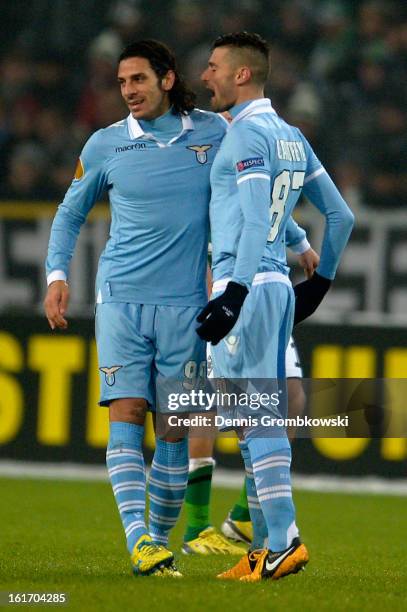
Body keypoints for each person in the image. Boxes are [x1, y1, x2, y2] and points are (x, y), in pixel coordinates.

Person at [43, 39, 228, 578]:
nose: (128, 91)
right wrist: (57, 277)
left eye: (139, 80)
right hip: (120, 298)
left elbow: (253, 187)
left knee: (174, 429)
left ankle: (158, 540)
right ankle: (138, 540)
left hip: (188, 306)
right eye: (123, 83)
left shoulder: (213, 132)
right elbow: (68, 214)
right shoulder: (105, 144)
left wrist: (295, 238)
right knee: (126, 413)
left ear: (167, 79)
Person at [198, 32, 354, 582]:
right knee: (247, 418)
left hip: (248, 285)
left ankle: (283, 542)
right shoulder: (289, 136)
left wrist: (234, 294)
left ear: (242, 74)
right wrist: (319, 277)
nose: (205, 76)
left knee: (256, 417)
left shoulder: (244, 137)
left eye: (214, 67)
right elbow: (341, 217)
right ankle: (265, 546)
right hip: (274, 285)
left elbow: (248, 212)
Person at [183, 241, 318, 554]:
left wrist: (301, 242)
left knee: (292, 398)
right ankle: (196, 526)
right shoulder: (220, 194)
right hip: (223, 292)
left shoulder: (265, 192)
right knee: (210, 404)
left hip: (265, 294)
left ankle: (246, 514)